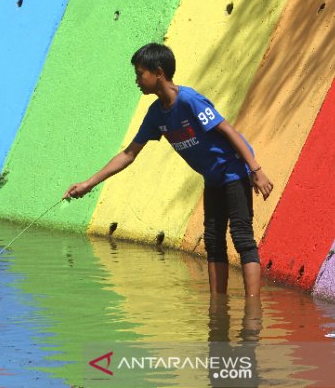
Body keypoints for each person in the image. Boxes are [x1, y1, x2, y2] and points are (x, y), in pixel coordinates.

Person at [63, 43, 273, 297]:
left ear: (158, 72)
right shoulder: (156, 115)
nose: (137, 80)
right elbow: (129, 154)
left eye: (140, 73)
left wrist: (256, 170)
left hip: (234, 171)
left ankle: (253, 308)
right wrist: (89, 183)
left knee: (242, 237)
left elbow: (227, 130)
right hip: (212, 178)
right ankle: (217, 307)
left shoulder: (189, 101)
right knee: (213, 241)